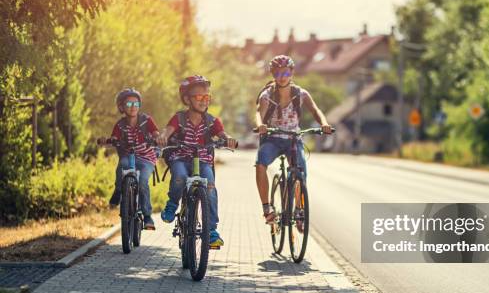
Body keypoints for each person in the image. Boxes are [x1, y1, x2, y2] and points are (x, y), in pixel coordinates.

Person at [157, 75, 237, 247]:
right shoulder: (179, 118)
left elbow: (223, 134)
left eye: (207, 97)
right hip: (180, 158)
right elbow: (167, 130)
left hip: (203, 161)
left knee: (210, 187)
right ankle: (172, 204)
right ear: (187, 99)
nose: (203, 100)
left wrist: (228, 139)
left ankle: (211, 230)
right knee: (179, 177)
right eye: (199, 97)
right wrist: (163, 137)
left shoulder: (211, 121)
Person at [254, 55, 332, 224]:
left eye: (286, 73)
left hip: (293, 140)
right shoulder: (267, 95)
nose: (282, 78)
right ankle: (267, 208)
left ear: (292, 73)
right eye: (277, 74)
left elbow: (315, 110)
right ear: (273, 75)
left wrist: (324, 123)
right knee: (260, 164)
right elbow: (258, 113)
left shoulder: (301, 94)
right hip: (272, 139)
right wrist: (261, 125)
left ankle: (299, 210)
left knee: (300, 173)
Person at [109, 88, 160, 230]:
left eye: (136, 104)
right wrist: (109, 140)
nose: (133, 107)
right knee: (122, 166)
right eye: (129, 104)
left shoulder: (146, 120)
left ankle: (147, 215)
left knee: (143, 181)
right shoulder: (120, 125)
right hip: (128, 156)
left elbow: (156, 133)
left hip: (146, 158)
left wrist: (158, 139)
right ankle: (119, 190)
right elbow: (114, 137)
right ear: (121, 107)